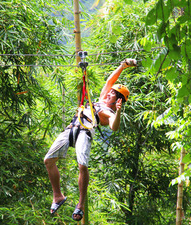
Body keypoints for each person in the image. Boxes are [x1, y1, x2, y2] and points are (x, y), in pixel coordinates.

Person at [44, 58, 137, 221]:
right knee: (48, 160)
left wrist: (119, 112)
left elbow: (114, 126)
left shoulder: (109, 112)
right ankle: (57, 196)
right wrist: (122, 66)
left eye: (113, 93)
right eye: (111, 91)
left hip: (85, 133)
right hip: (72, 128)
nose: (109, 92)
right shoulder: (102, 99)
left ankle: (80, 205)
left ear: (118, 100)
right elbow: (110, 81)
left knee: (82, 165)